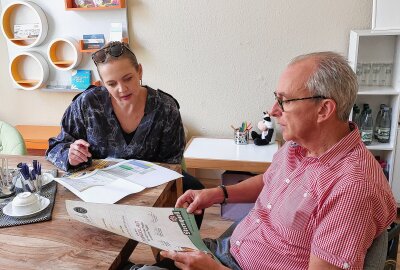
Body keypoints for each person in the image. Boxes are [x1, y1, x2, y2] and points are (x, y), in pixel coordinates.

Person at [153, 52, 397, 270]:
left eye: (285, 100)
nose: (273, 110)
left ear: (324, 110)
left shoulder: (353, 188)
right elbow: (270, 181)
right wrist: (217, 193)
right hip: (229, 251)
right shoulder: (299, 144)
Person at [45, 41, 204, 225]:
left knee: (195, 192)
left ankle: (178, 253)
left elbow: (172, 164)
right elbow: (55, 147)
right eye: (111, 84)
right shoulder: (87, 104)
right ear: (102, 84)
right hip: (99, 191)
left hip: (149, 189)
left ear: (140, 71)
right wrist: (70, 155)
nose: (122, 89)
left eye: (128, 78)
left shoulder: (165, 109)